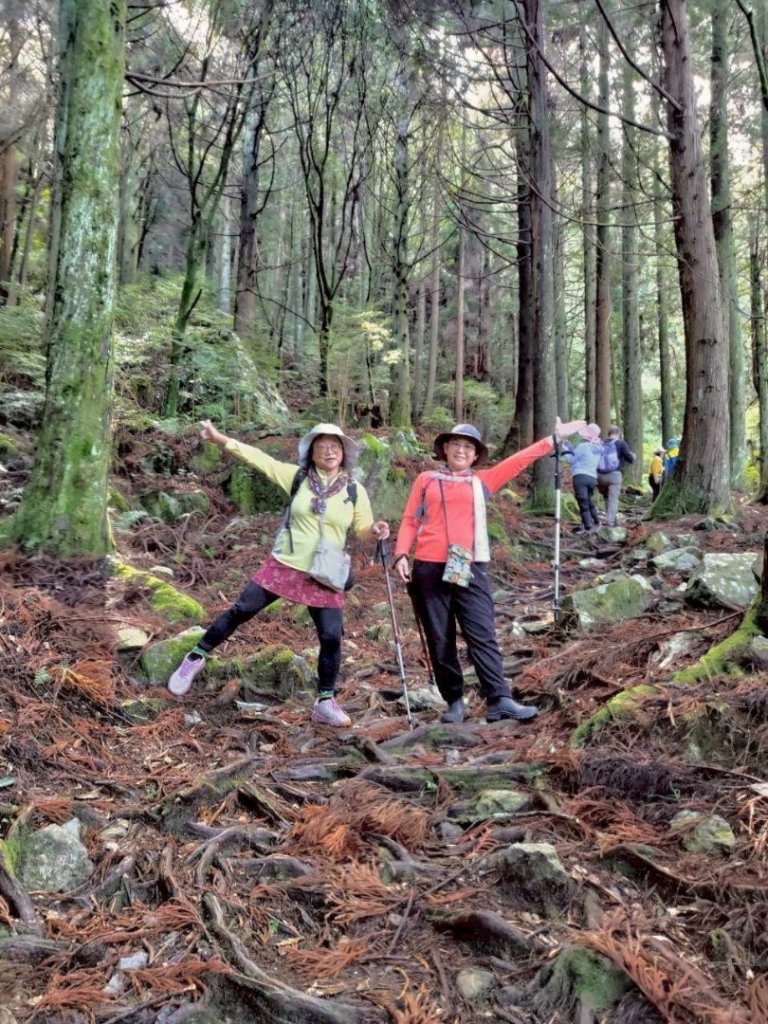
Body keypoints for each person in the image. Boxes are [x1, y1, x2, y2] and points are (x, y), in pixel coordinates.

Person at [167, 421, 390, 727]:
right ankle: (195, 657)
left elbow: (364, 529)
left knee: (331, 637)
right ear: (311, 452)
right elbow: (260, 460)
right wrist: (220, 438)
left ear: (344, 454)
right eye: (322, 446)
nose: (329, 451)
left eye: (335, 446)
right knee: (242, 609)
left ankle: (325, 701)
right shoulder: (297, 477)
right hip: (286, 563)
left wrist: (375, 530)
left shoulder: (354, 490)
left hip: (324, 572)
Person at [392, 416, 585, 725]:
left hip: (467, 563)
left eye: (468, 447)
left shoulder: (481, 482)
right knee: (439, 635)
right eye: (456, 444)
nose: (461, 450)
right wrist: (401, 553)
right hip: (429, 564)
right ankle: (454, 701)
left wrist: (553, 439)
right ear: (445, 448)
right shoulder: (426, 479)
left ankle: (500, 699)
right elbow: (410, 519)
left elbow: (518, 461)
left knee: (481, 631)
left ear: (475, 455)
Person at [562, 422, 603, 535]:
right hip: (592, 478)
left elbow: (571, 460)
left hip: (580, 477)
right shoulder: (598, 448)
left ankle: (587, 527)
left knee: (583, 502)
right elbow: (581, 456)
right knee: (588, 500)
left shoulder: (583, 446)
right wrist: (570, 448)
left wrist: (565, 449)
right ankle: (597, 522)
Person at [596, 424, 636, 527]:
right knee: (613, 499)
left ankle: (610, 518)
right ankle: (610, 522)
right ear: (618, 434)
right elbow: (630, 459)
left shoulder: (601, 443)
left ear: (609, 434)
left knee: (606, 497)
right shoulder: (621, 443)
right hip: (614, 475)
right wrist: (633, 456)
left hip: (599, 476)